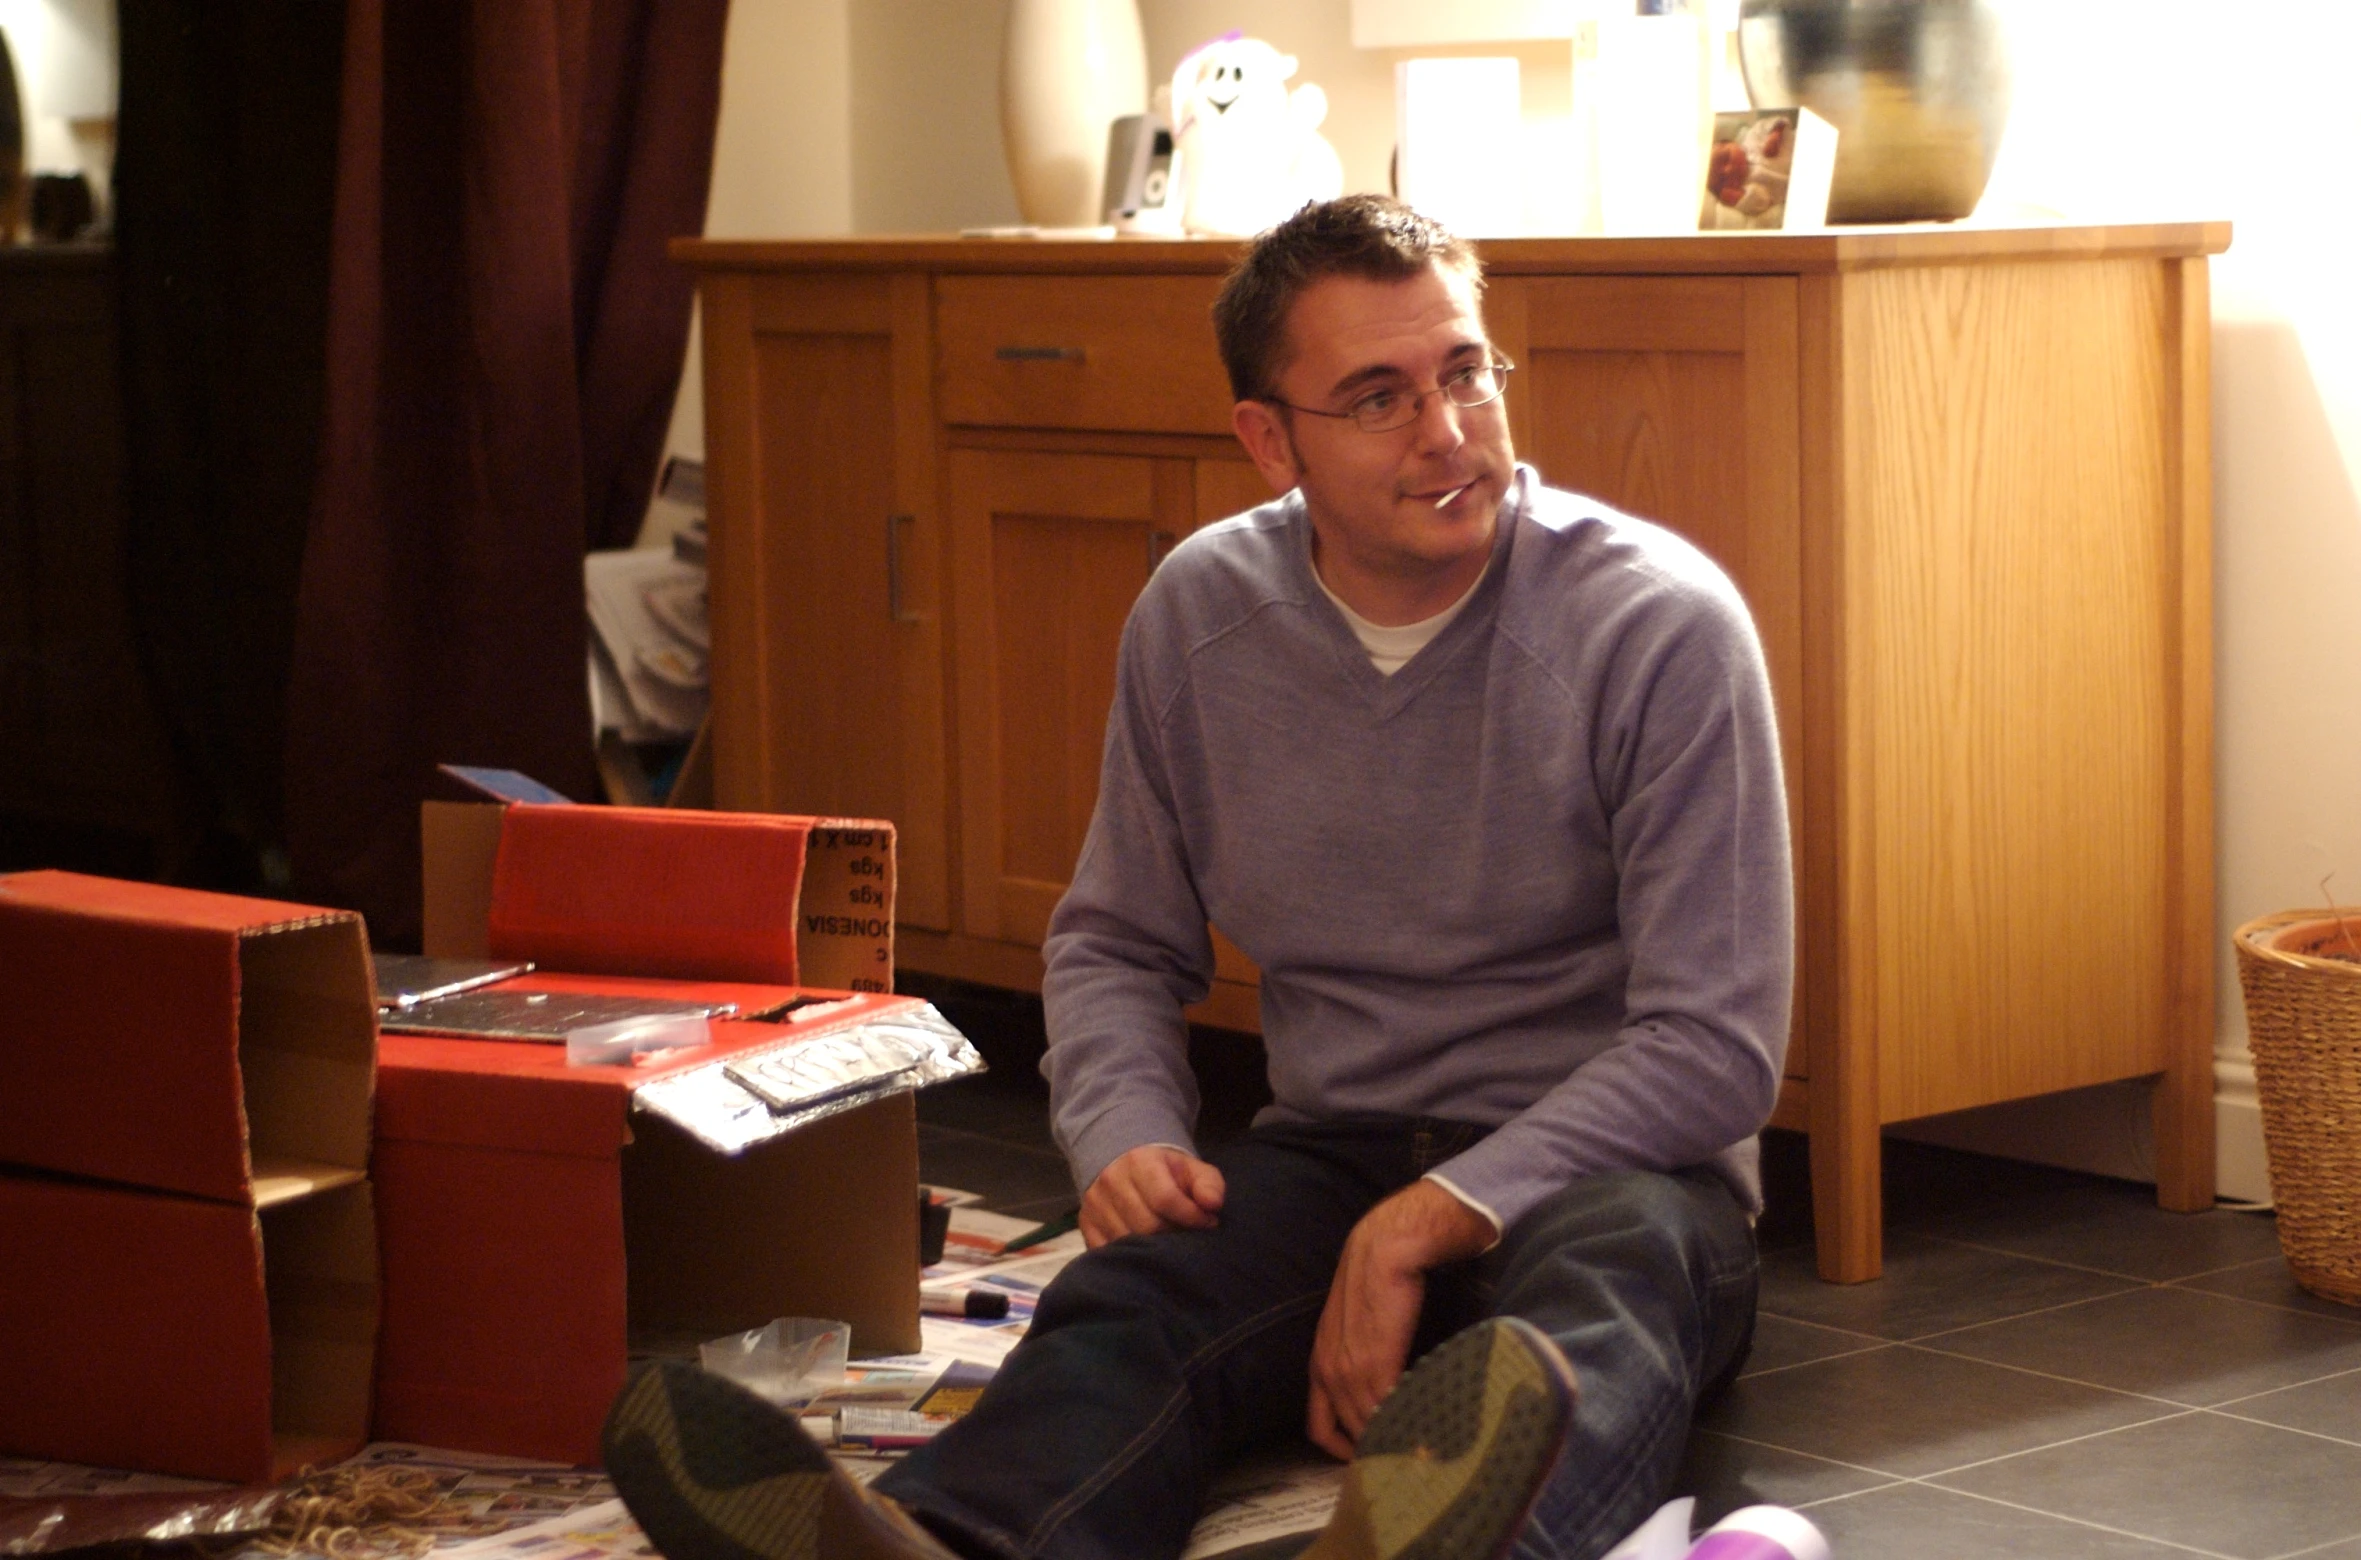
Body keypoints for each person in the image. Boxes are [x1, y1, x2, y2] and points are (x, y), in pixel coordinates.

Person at [602, 194, 1791, 1560]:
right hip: (1337, 1151)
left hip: (1621, 1173)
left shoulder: (1659, 624)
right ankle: (951, 1545)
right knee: (1133, 1301)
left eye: (1466, 370)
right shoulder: (1198, 614)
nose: (1449, 431)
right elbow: (1115, 941)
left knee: (1604, 1303)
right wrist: (1129, 1143)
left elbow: (1716, 1048)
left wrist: (1429, 1221)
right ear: (1267, 439)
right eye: (1379, 397)